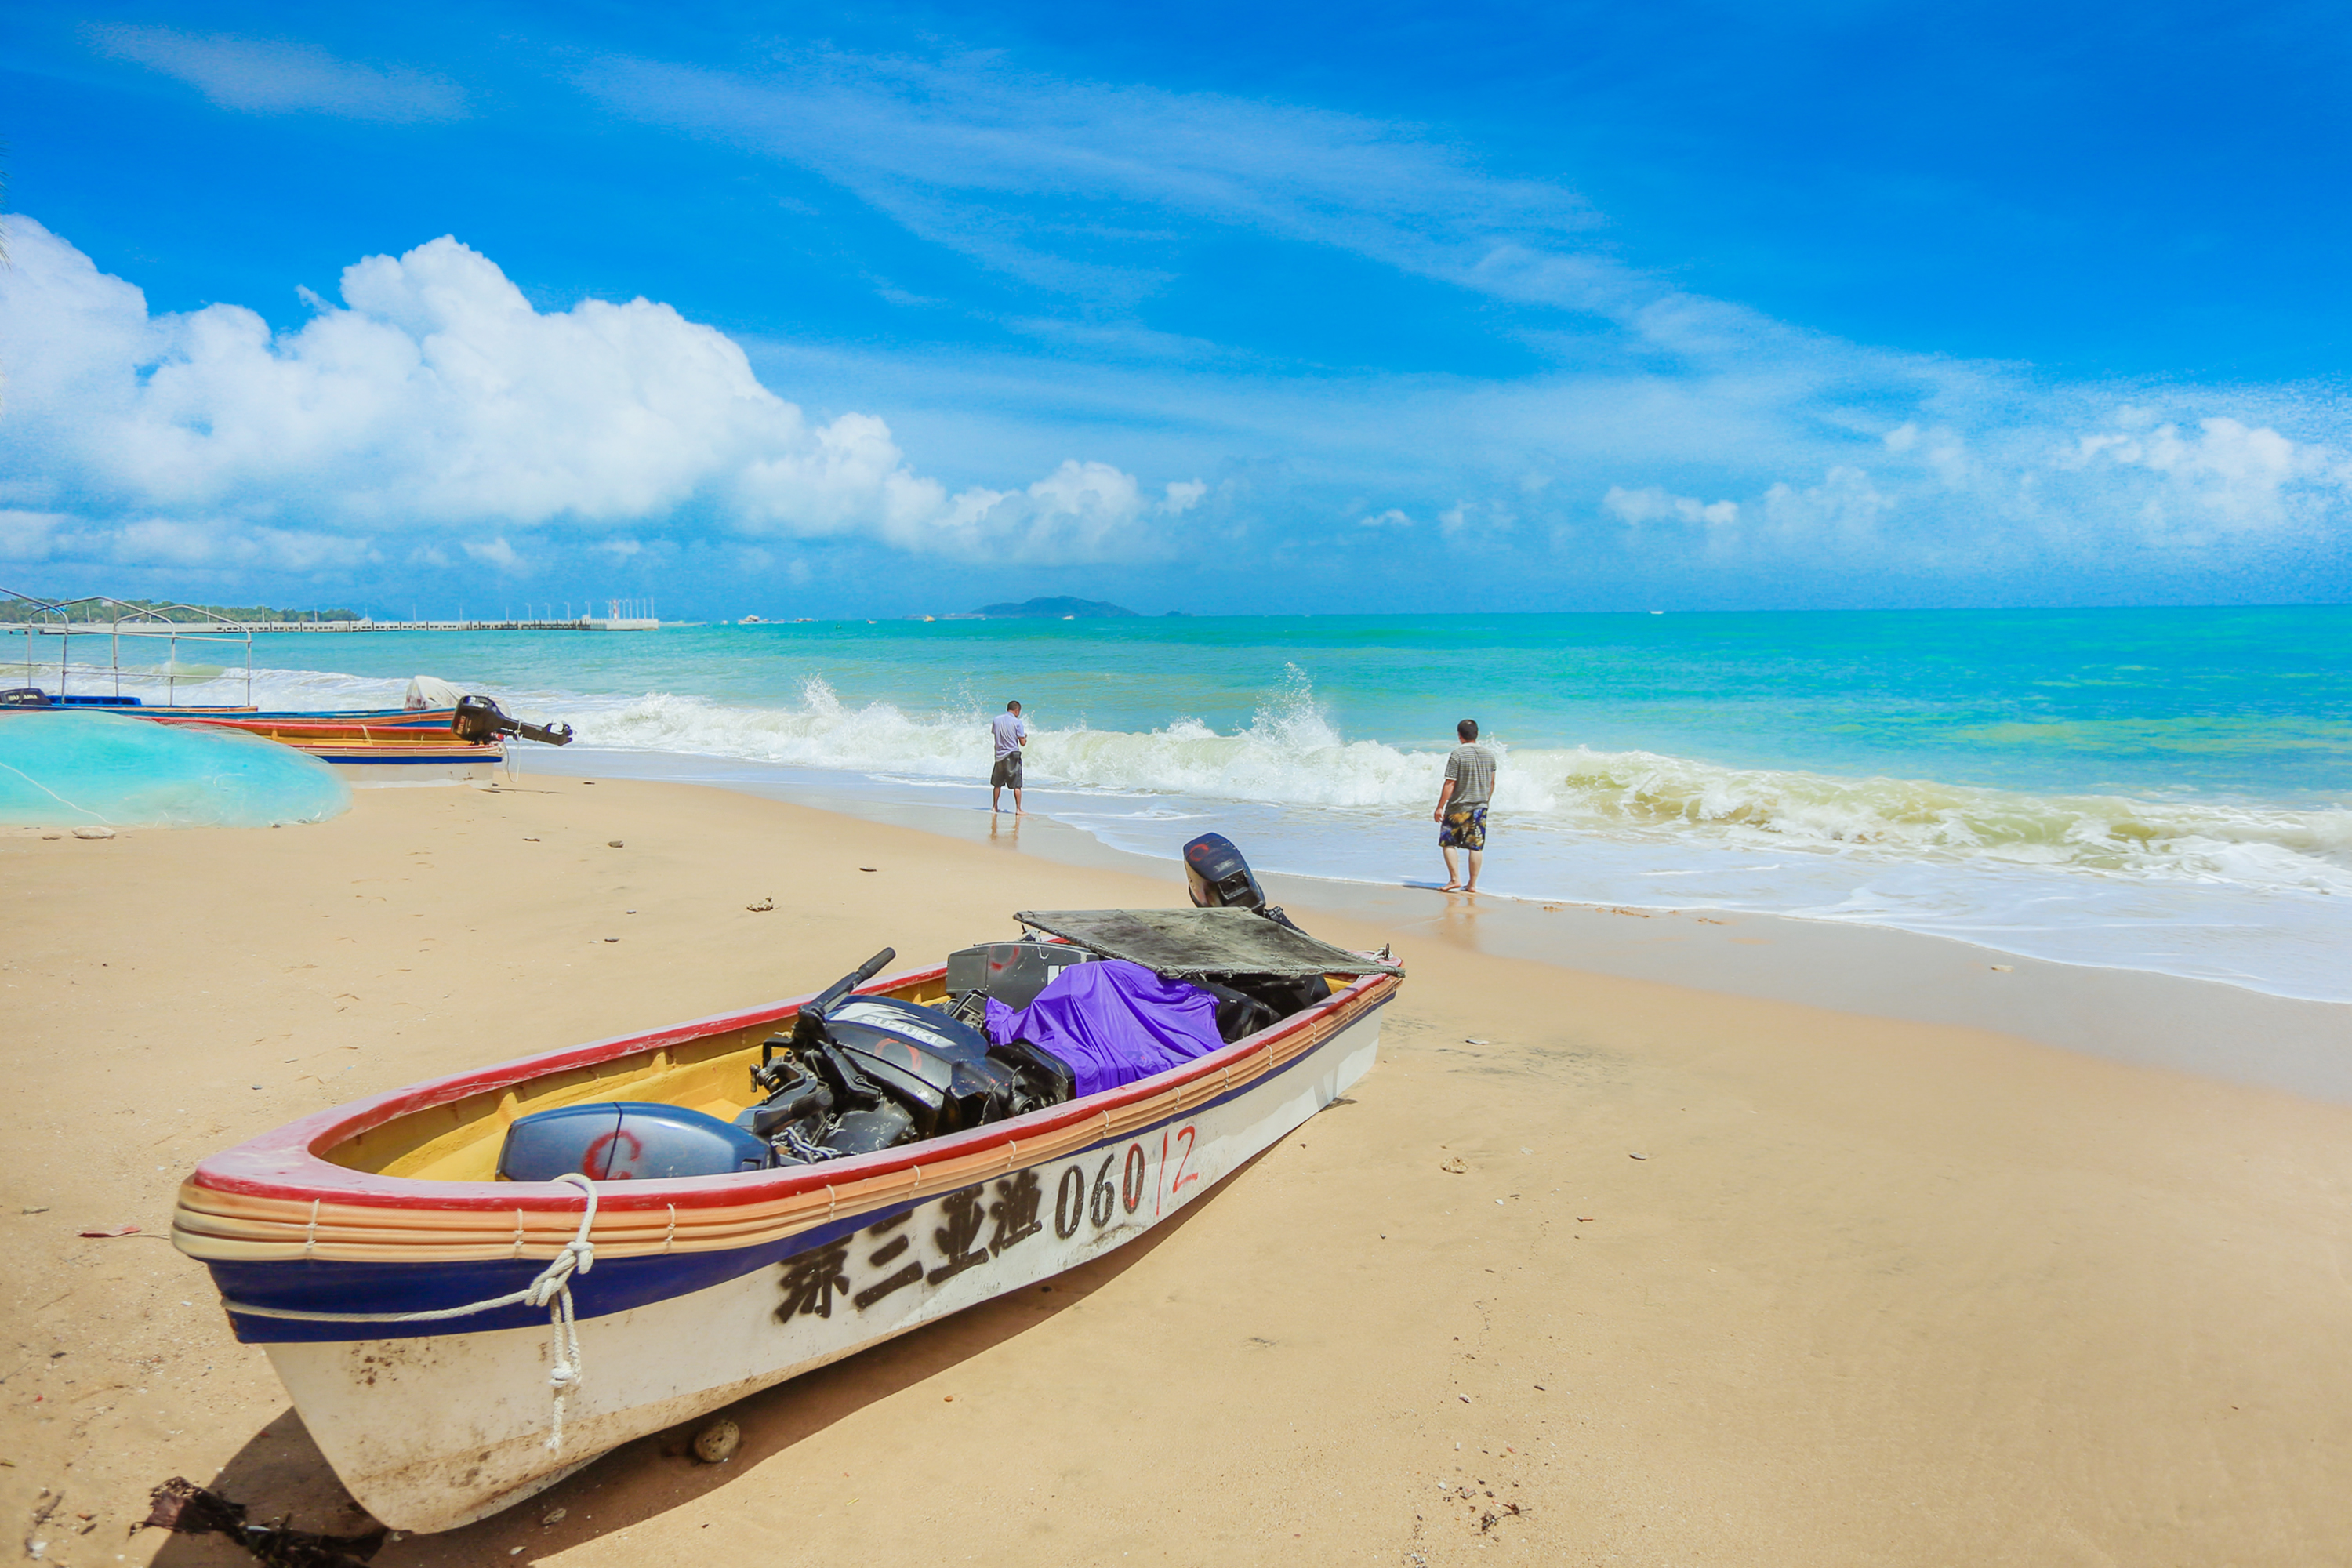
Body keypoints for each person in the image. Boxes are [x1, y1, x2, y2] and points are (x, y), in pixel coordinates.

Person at [1432, 717, 1495, 892]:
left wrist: (1440, 807)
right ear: (1476, 735)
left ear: (1459, 736)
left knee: (1448, 842)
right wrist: (1485, 801)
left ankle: (1454, 879)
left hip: (1458, 806)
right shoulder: (1489, 754)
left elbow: (1450, 783)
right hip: (1480, 806)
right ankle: (1472, 884)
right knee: (1475, 846)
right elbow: (1492, 783)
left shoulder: (1458, 754)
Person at [989, 699, 1029, 815]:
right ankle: (1018, 809)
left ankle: (995, 806)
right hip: (1012, 755)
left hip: (999, 755)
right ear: (1017, 711)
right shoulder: (1017, 722)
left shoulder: (996, 720)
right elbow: (1022, 743)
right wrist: (1024, 737)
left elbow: (996, 733)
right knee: (1017, 784)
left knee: (997, 784)